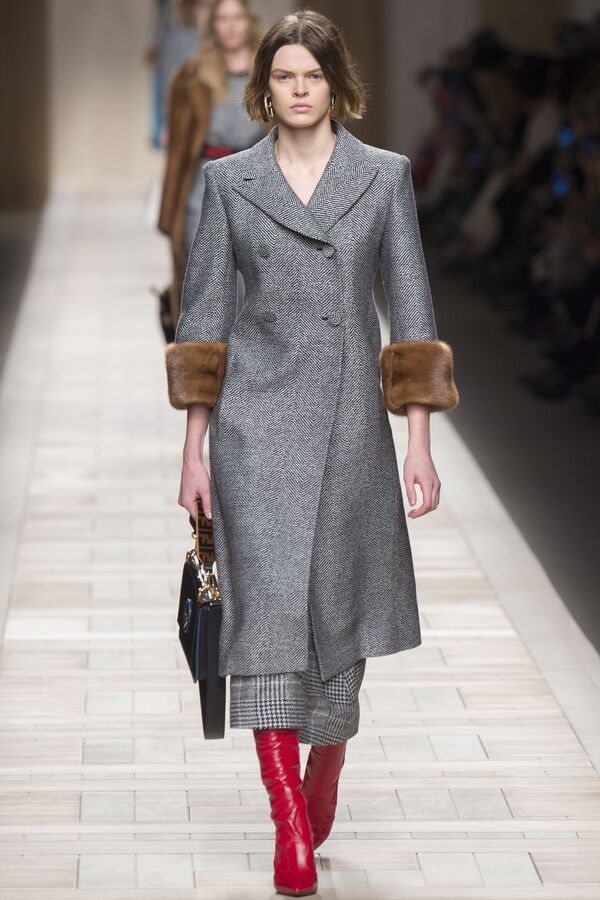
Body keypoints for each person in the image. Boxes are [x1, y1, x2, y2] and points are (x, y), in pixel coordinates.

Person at [164, 8, 460, 896]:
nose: (298, 90)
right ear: (265, 86)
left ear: (336, 85)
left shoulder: (383, 177)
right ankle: (288, 818)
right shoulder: (231, 183)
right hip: (254, 434)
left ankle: (324, 764)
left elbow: (411, 315)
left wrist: (419, 443)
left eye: (313, 76)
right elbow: (205, 322)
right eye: (284, 76)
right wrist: (194, 450)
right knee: (262, 625)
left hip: (349, 431)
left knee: (336, 622)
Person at [157, 0, 269, 330]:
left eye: (237, 17)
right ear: (213, 26)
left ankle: (248, 355)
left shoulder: (271, 73)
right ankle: (207, 355)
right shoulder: (191, 77)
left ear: (248, 21)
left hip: (257, 182)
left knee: (255, 281)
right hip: (204, 185)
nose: (231, 25)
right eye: (223, 19)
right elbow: (178, 151)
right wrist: (169, 214)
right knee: (204, 279)